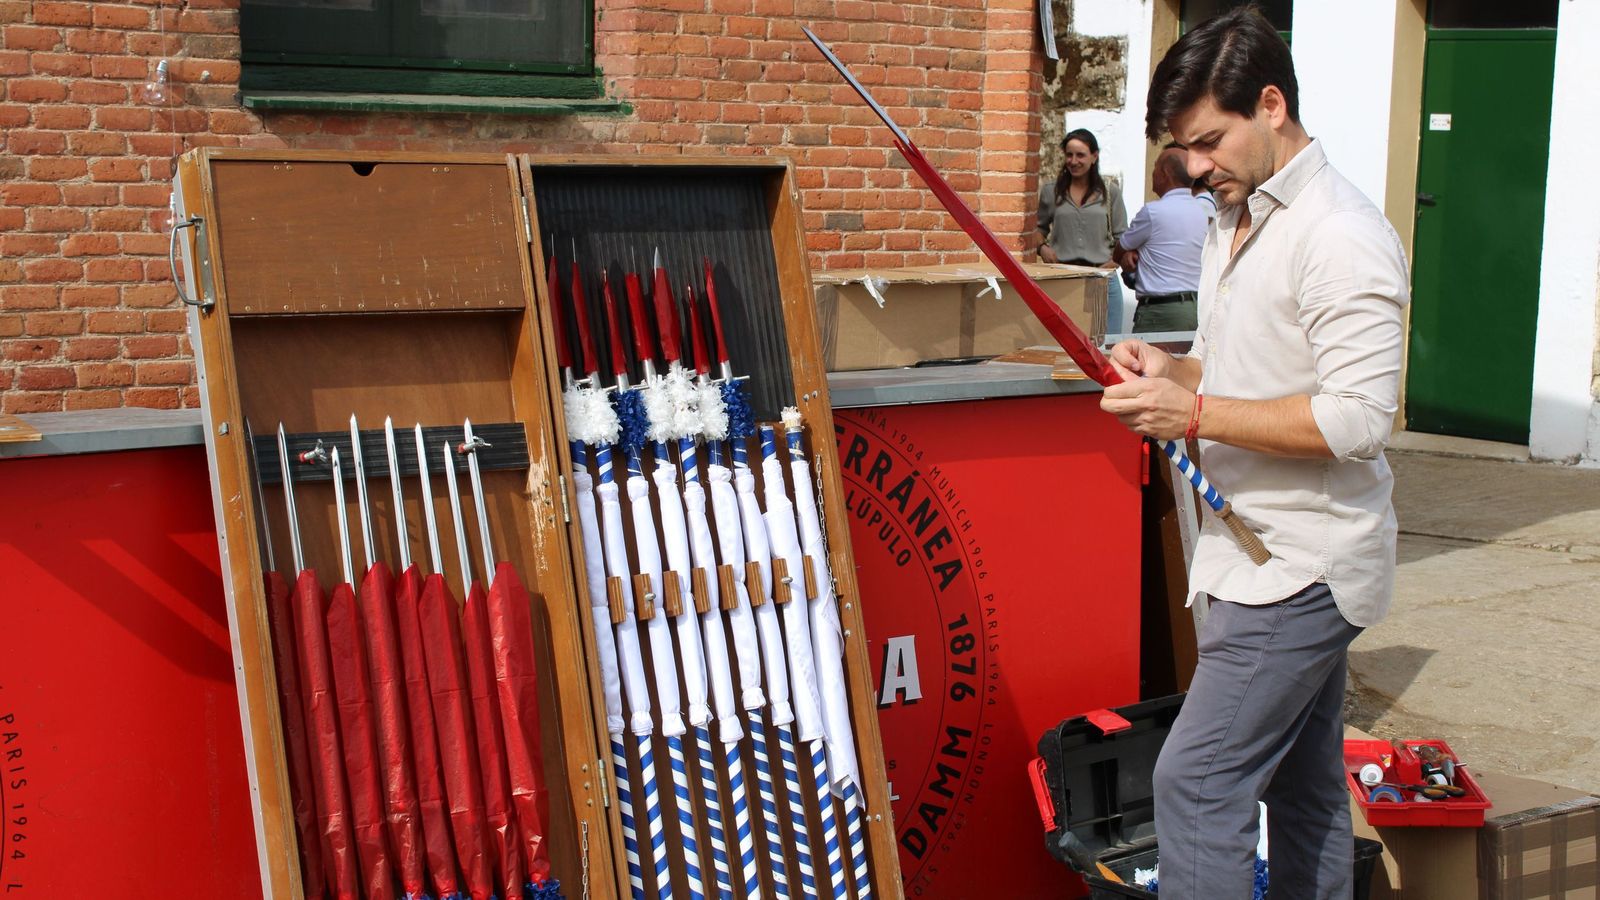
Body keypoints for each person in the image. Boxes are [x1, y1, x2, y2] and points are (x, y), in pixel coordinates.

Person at [1098, 8, 1409, 899]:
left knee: (1194, 786)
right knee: (1304, 792)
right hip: (1246, 558)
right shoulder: (1235, 215)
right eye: (1185, 148)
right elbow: (1242, 369)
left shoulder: (1340, 234)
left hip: (1298, 568)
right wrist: (1173, 368)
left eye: (1208, 142)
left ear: (1271, 104)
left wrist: (1191, 412)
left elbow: (1357, 419)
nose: (1195, 168)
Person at [1036, 128, 1130, 333]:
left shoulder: (1109, 191)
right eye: (1069, 155)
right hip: (1063, 279)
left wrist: (1113, 263)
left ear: (1094, 156)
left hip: (1102, 279)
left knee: (1106, 346)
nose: (1074, 161)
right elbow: (1037, 229)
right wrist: (1042, 247)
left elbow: (1123, 236)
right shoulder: (1051, 191)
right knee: (1061, 344)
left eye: (1080, 155)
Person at [1113, 145, 1208, 332]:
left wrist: (1129, 253)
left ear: (1164, 173)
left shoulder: (1153, 212)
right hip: (1196, 308)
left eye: (1155, 167)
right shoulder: (1202, 212)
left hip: (1160, 311)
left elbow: (1118, 252)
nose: (1152, 174)